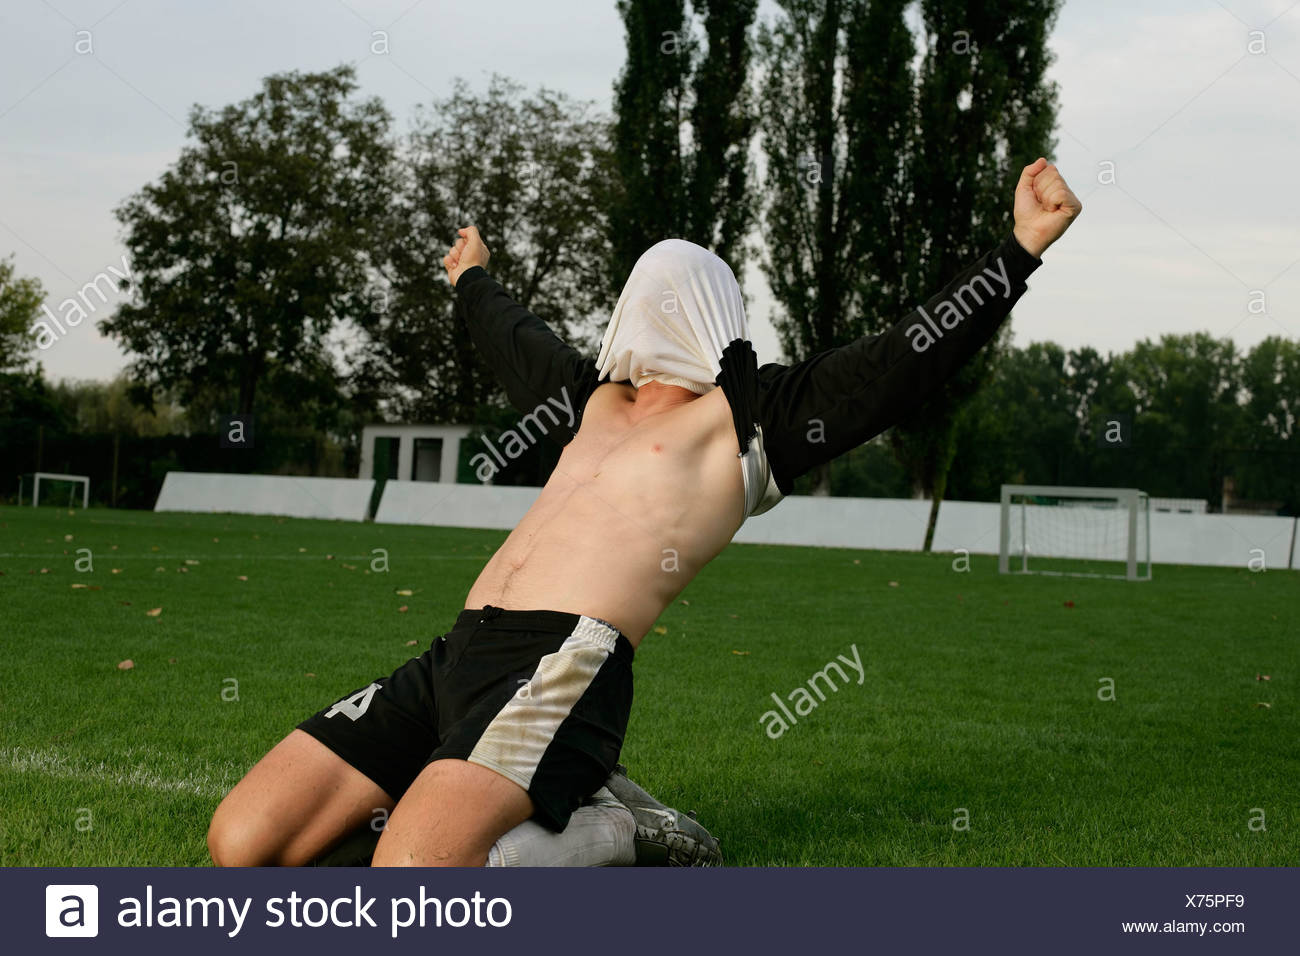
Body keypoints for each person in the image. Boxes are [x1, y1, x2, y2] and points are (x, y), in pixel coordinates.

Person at [207, 157, 1081, 868]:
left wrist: (1019, 249)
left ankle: (625, 833)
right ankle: (526, 799)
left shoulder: (751, 421)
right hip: (457, 654)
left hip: (564, 667)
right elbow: (517, 338)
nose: (657, 305)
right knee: (245, 843)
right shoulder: (588, 401)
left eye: (677, 291)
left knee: (414, 878)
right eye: (647, 290)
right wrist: (472, 279)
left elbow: (900, 362)